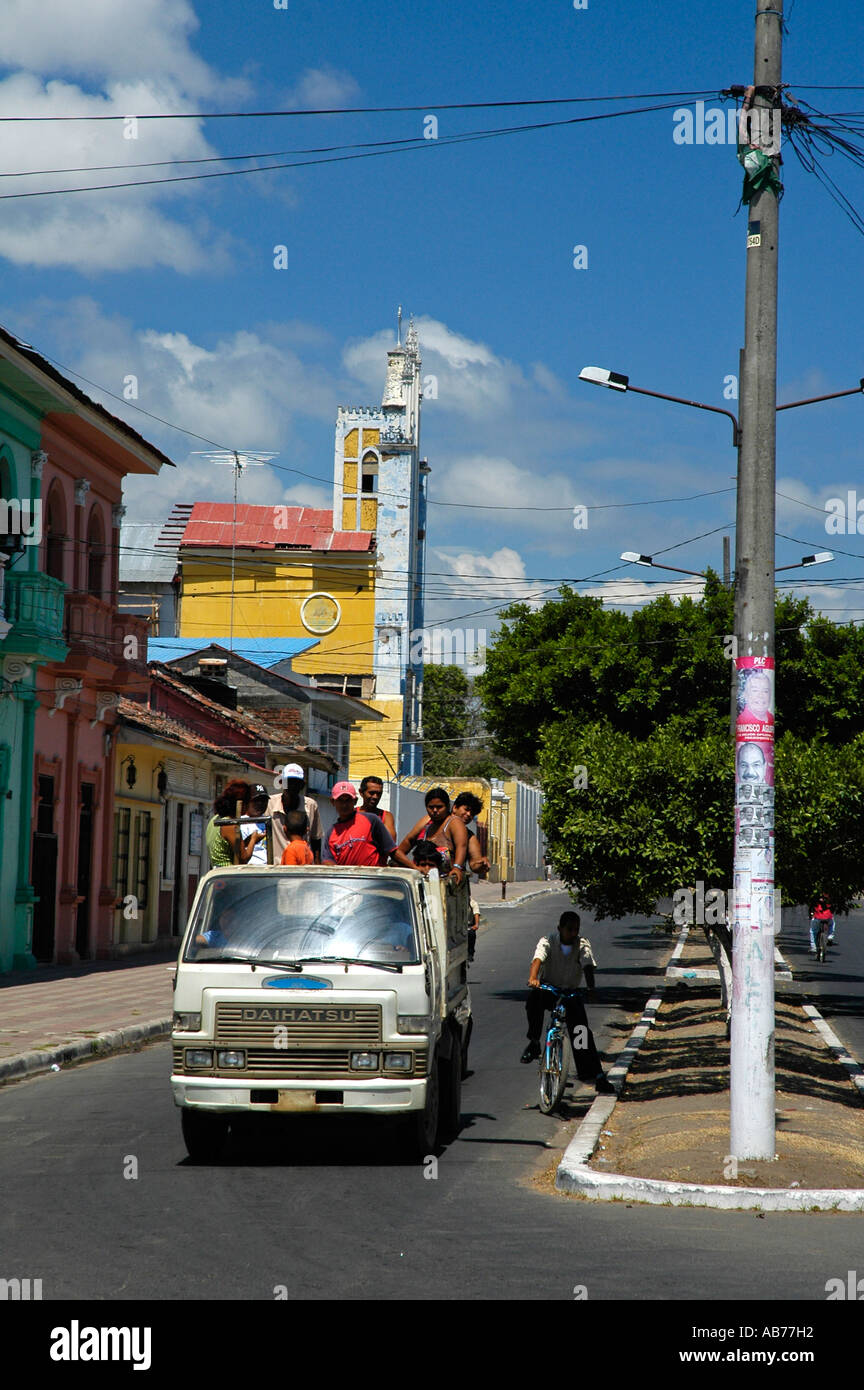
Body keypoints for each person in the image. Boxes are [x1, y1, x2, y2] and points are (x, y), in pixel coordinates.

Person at [521, 909, 615, 1096]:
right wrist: (533, 978)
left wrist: (591, 989)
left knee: (581, 1034)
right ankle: (534, 1042)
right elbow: (538, 959)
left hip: (571, 993)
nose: (573, 933)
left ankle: (595, 1076)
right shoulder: (548, 940)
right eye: (569, 929)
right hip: (550, 990)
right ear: (560, 928)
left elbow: (587, 966)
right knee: (533, 1001)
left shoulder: (582, 944)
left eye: (576, 929)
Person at [323, 781, 418, 869]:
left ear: (355, 801)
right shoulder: (331, 832)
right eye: (340, 800)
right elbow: (328, 861)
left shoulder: (371, 820)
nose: (344, 805)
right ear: (333, 802)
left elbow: (392, 850)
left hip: (373, 878)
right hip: (347, 880)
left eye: (348, 800)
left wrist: (415, 868)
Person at [399, 788, 468, 886]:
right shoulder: (426, 823)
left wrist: (457, 867)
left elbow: (462, 846)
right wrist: (406, 863)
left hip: (448, 886)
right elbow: (406, 843)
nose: (435, 810)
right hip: (423, 884)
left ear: (448, 806)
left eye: (439, 807)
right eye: (431, 807)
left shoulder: (454, 823)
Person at [265, 764, 323, 862]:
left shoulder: (311, 805)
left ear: (302, 785)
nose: (292, 786)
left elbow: (316, 839)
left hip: (303, 866)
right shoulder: (269, 804)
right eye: (289, 782)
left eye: (296, 782)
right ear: (281, 783)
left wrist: (318, 865)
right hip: (276, 866)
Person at [205, 780, 260, 866]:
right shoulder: (229, 824)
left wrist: (248, 841)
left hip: (217, 871)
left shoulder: (215, 819)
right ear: (242, 803)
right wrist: (253, 839)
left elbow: (229, 847)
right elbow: (243, 858)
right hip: (228, 871)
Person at [452, 792, 490, 878]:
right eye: (466, 809)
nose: (469, 814)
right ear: (455, 808)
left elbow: (474, 864)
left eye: (472, 813)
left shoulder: (469, 837)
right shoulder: (435, 824)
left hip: (456, 882)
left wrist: (481, 864)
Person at [359, 775, 397, 845]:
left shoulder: (386, 816)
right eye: (371, 793)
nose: (375, 797)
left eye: (379, 794)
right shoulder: (352, 814)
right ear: (361, 792)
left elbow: (390, 843)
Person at [239, 784, 270, 866]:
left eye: (263, 800)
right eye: (256, 800)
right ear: (247, 802)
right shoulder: (241, 823)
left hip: (269, 868)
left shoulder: (268, 821)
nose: (260, 804)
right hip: (251, 868)